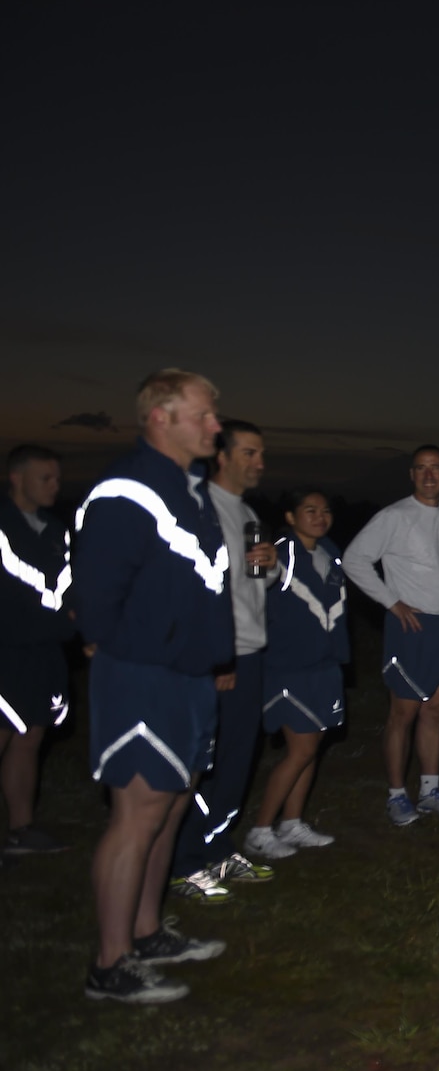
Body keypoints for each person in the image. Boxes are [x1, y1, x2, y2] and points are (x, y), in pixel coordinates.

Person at [72, 369, 235, 1003]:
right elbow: (95, 597)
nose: (215, 425)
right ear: (160, 418)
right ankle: (110, 965)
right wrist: (148, 653)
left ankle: (144, 932)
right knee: (136, 816)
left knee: (169, 809)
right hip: (144, 679)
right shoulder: (127, 490)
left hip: (189, 681)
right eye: (204, 414)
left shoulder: (189, 491)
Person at [167, 418, 279, 901]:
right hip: (218, 657)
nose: (259, 463)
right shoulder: (201, 510)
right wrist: (217, 657)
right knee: (203, 763)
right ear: (224, 456)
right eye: (250, 453)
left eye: (260, 454)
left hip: (252, 649)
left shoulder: (248, 513)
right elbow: (194, 591)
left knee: (238, 759)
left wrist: (269, 569)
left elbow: (254, 585)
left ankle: (217, 847)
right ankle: (183, 861)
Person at [343, 444, 439, 825]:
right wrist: (392, 602)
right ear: (412, 475)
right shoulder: (394, 516)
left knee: (436, 709)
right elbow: (354, 559)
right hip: (411, 626)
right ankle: (397, 795)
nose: (429, 475)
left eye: (436, 468)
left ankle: (431, 790)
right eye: (421, 468)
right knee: (403, 712)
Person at [242, 490, 346, 859]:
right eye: (310, 510)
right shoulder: (278, 551)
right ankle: (259, 830)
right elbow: (261, 576)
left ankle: (292, 823)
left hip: (324, 663)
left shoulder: (330, 552)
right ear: (290, 516)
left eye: (325, 510)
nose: (320, 516)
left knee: (311, 748)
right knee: (300, 749)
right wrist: (263, 562)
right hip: (288, 666)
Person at [1, 444, 74, 859]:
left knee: (30, 737)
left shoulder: (54, 529)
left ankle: (20, 829)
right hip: (7, 650)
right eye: (45, 478)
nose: (54, 486)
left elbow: (64, 586)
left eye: (57, 478)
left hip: (45, 651)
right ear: (17, 477)